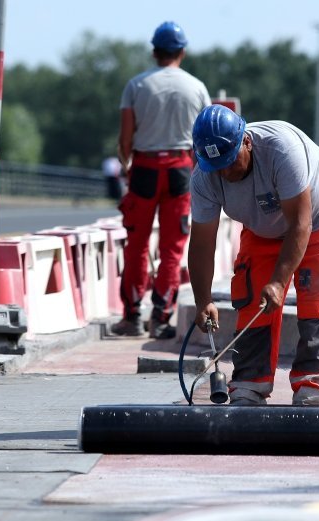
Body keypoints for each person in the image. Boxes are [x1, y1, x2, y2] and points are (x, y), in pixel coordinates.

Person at [187, 104, 319, 406]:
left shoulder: (280, 150)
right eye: (217, 167)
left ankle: (310, 385)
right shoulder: (204, 177)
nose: (225, 172)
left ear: (246, 142)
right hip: (262, 229)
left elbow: (301, 224)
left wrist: (279, 281)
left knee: (316, 300)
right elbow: (201, 243)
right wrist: (203, 300)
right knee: (253, 302)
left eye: (230, 161)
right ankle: (250, 383)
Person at [112, 21, 211, 339]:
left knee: (137, 246)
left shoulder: (137, 86)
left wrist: (128, 167)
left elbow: (125, 140)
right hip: (182, 170)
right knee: (172, 249)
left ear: (155, 51)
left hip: (144, 168)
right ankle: (161, 318)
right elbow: (206, 136)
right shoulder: (196, 87)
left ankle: (131, 317)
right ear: (182, 51)